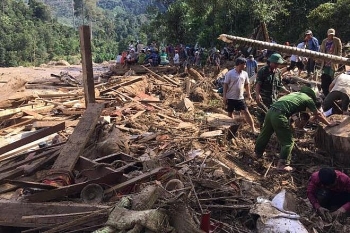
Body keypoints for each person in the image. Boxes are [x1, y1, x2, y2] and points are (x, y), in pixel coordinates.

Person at [254, 86, 337, 171]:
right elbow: (318, 114)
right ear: (311, 96)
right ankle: (282, 164)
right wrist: (329, 123)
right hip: (280, 115)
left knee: (265, 134)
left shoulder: (294, 95)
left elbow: (292, 111)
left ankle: (257, 154)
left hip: (271, 111)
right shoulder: (308, 99)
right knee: (288, 142)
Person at [223, 57, 258, 134]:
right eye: (244, 64)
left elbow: (247, 84)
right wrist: (224, 96)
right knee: (230, 113)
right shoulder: (230, 73)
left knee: (246, 112)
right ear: (239, 64)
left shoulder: (245, 74)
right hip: (230, 97)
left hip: (240, 98)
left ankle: (253, 128)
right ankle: (230, 129)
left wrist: (249, 94)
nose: (245, 66)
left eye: (245, 64)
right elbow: (225, 84)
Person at [255, 53, 290, 125]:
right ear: (270, 62)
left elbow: (279, 85)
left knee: (272, 117)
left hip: (273, 99)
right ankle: (262, 132)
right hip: (264, 99)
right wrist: (257, 95)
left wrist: (287, 91)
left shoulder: (278, 72)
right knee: (262, 117)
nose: (277, 65)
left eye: (278, 64)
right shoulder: (263, 71)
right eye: (275, 63)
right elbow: (258, 84)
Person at [320, 28, 342, 96]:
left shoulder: (337, 40)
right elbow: (322, 50)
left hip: (333, 62)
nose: (331, 36)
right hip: (325, 62)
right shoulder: (324, 41)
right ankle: (325, 91)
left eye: (332, 35)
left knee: (331, 76)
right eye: (330, 35)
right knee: (325, 76)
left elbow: (339, 50)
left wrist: (338, 58)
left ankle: (331, 91)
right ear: (327, 34)